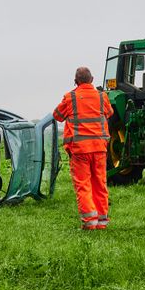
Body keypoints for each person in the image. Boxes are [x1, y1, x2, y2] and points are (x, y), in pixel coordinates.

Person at [53, 67, 113, 230]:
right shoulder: (102, 97)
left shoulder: (70, 97)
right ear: (92, 79)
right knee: (100, 183)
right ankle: (102, 221)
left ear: (75, 81)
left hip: (79, 150)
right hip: (100, 148)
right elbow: (109, 112)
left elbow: (57, 115)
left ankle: (89, 222)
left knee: (83, 184)